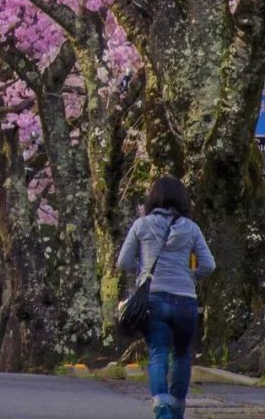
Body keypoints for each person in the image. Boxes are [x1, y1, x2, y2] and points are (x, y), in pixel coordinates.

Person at [116, 175, 215, 419]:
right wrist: (191, 277)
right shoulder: (191, 228)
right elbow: (209, 265)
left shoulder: (142, 225)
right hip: (185, 300)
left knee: (158, 351)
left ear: (153, 198)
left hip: (154, 298)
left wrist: (143, 270)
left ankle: (162, 407)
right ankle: (178, 408)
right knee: (182, 354)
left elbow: (123, 262)